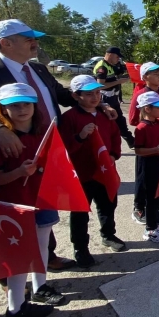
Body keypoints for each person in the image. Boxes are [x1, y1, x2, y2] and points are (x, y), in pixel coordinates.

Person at [0, 19, 118, 271]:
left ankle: (47, 254)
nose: (34, 43)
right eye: (28, 39)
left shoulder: (39, 69)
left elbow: (65, 95)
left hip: (51, 148)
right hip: (17, 153)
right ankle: (21, 271)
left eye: (34, 38)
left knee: (45, 205)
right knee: (24, 206)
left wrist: (98, 103)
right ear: (6, 43)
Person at [0, 83, 60, 317]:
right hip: (15, 206)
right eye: (14, 105)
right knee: (20, 256)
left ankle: (41, 287)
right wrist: (19, 172)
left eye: (26, 103)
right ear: (3, 109)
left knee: (42, 245)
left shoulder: (44, 133)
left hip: (42, 199)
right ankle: (16, 308)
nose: (22, 109)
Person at [58, 75, 125, 268]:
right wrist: (80, 137)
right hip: (82, 173)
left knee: (108, 203)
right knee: (80, 211)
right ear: (76, 96)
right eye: (88, 94)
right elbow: (63, 147)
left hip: (104, 170)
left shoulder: (106, 114)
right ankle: (80, 248)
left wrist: (113, 154)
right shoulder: (70, 118)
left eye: (97, 93)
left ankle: (108, 234)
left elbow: (115, 136)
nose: (95, 98)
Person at [127, 62, 159, 226]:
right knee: (144, 176)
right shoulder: (140, 94)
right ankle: (139, 206)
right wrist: (149, 125)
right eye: (155, 73)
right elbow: (133, 119)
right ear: (145, 77)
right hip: (148, 142)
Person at [133, 91, 159, 243]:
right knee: (152, 198)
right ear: (147, 109)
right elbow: (138, 150)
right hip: (149, 165)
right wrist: (154, 150)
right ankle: (150, 228)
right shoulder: (141, 128)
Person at [93, 47, 134, 148]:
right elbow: (100, 85)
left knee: (120, 120)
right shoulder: (102, 67)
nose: (118, 59)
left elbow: (118, 73)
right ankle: (103, 145)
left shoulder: (112, 65)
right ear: (110, 55)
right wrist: (118, 82)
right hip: (104, 98)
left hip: (113, 97)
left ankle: (131, 141)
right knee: (108, 122)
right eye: (117, 56)